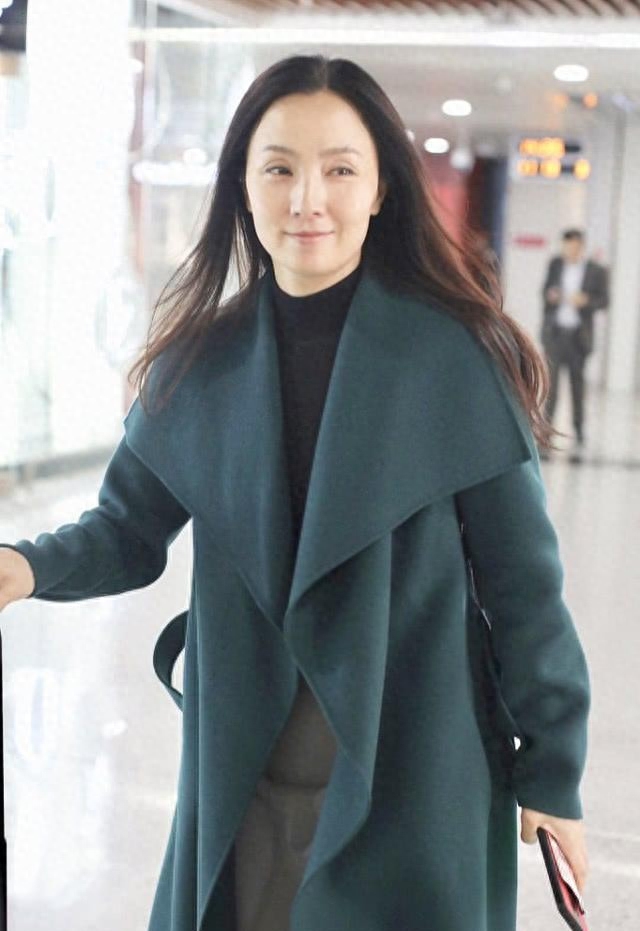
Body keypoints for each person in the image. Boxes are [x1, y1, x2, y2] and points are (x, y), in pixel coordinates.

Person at [0, 55, 590, 931]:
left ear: (381, 188)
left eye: (339, 170)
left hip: (413, 760)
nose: (307, 198)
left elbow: (523, 587)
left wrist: (553, 771)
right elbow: (127, 529)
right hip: (248, 764)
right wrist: (25, 565)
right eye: (278, 168)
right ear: (243, 187)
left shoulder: (453, 362)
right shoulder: (198, 365)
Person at [540, 228, 609, 463]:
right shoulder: (555, 265)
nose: (569, 250)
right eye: (566, 246)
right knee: (551, 387)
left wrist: (586, 301)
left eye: (573, 246)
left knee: (577, 387)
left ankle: (579, 431)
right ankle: (546, 432)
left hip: (579, 338)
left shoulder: (596, 270)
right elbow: (544, 291)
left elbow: (604, 300)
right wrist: (551, 295)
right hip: (555, 334)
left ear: (581, 246)